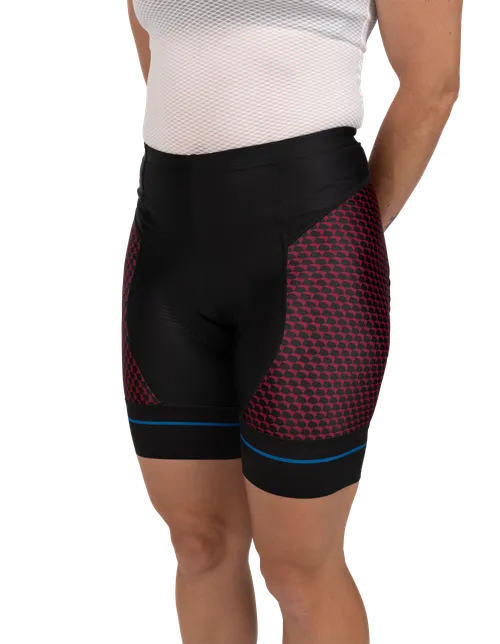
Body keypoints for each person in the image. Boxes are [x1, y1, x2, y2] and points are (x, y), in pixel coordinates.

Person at [121, 1, 462, 642]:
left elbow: (434, 80)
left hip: (314, 250)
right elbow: (158, 48)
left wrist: (349, 234)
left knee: (298, 570)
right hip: (169, 251)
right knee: (200, 546)